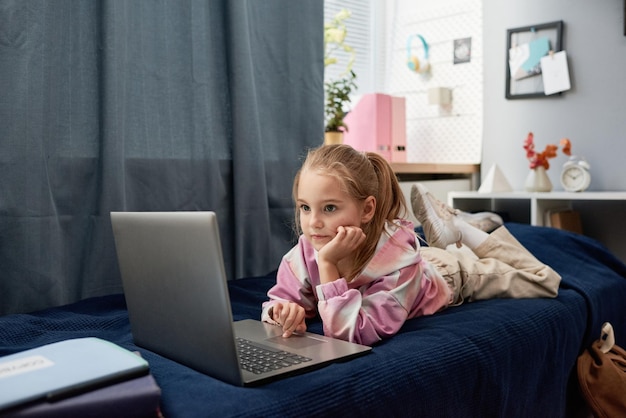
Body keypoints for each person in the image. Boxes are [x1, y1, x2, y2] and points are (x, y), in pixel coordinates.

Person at [261, 144, 561, 346]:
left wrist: (327, 266)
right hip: (420, 259)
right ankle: (455, 231)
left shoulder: (395, 264)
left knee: (544, 281)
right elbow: (279, 300)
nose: (313, 223)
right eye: (304, 207)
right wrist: (284, 311)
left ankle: (463, 229)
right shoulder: (303, 252)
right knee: (429, 251)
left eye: (328, 208)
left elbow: (352, 333)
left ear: (367, 210)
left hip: (448, 275)